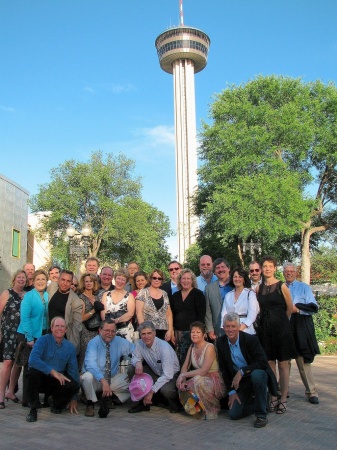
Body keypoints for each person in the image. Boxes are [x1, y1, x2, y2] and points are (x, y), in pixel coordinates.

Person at [216, 313, 278, 428]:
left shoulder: (250, 340)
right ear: (223, 327)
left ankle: (261, 415)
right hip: (241, 382)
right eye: (227, 326)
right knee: (233, 414)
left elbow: (262, 361)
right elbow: (224, 368)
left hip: (255, 374)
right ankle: (263, 403)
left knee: (257, 374)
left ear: (239, 327)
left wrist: (242, 371)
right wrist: (232, 392)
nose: (230, 329)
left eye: (233, 326)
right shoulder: (221, 342)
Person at [256, 256, 297, 414]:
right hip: (265, 331)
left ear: (275, 268)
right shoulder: (259, 289)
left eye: (270, 266)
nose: (267, 269)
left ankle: (284, 398)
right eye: (264, 266)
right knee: (270, 364)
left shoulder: (282, 286)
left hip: (281, 330)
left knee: (284, 364)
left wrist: (280, 322)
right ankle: (273, 397)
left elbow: (289, 308)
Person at [25, 317, 79, 423]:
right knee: (32, 373)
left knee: (74, 385)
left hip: (56, 382)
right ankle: (33, 410)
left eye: (62, 326)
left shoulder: (70, 347)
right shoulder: (43, 340)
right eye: (57, 326)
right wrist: (52, 371)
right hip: (42, 377)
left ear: (66, 329)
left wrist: (74, 398)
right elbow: (33, 360)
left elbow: (74, 372)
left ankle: (55, 403)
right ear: (51, 328)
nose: (59, 328)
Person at [81, 319, 134, 418]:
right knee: (86, 377)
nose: (110, 333)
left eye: (113, 331)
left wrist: (137, 362)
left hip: (111, 378)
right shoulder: (93, 343)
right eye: (107, 330)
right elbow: (90, 365)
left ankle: (110, 397)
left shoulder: (119, 341)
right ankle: (90, 403)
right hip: (96, 379)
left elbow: (135, 350)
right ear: (100, 330)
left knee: (132, 382)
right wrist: (103, 381)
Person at [283, 262, 320, 404]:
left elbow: (313, 307)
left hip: (300, 327)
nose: (289, 273)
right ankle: (284, 391)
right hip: (285, 327)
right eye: (286, 271)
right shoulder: (281, 287)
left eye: (291, 271)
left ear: (296, 272)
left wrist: (297, 309)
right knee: (284, 361)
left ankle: (311, 391)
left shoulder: (304, 288)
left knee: (303, 361)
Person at [127, 321, 181, 414]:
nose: (146, 336)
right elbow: (135, 357)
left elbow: (168, 374)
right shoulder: (140, 343)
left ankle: (175, 404)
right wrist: (138, 362)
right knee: (132, 369)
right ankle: (142, 402)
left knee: (166, 391)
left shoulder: (164, 347)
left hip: (171, 375)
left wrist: (151, 391)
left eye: (149, 333)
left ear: (154, 333)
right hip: (156, 372)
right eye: (143, 334)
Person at [176, 321, 225, 420]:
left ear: (203, 335)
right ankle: (198, 410)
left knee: (198, 380)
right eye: (192, 332)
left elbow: (203, 371)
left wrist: (184, 375)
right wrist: (182, 378)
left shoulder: (209, 347)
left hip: (214, 379)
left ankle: (212, 410)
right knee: (183, 385)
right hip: (199, 377)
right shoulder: (192, 347)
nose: (194, 334)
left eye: (198, 332)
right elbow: (185, 365)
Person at [17, 269, 49, 406]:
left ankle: (35, 397)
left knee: (38, 368)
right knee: (29, 368)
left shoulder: (47, 295)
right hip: (28, 335)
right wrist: (30, 338)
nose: (41, 282)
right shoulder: (29, 296)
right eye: (38, 279)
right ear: (33, 282)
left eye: (43, 279)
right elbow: (25, 318)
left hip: (42, 335)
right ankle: (27, 399)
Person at [0, 270, 27, 408]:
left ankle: (11, 392)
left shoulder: (27, 295)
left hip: (21, 333)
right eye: (19, 277)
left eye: (24, 278)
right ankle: (0, 396)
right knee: (7, 362)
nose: (21, 279)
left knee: (18, 363)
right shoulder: (7, 293)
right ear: (14, 279)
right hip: (8, 332)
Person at [170, 269, 206, 365]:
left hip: (192, 333)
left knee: (192, 359)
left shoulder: (198, 294)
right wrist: (172, 330)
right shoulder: (175, 296)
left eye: (188, 278)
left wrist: (199, 332)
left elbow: (201, 315)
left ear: (192, 280)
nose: (186, 281)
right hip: (178, 333)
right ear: (180, 280)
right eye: (183, 278)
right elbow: (171, 314)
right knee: (179, 359)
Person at [48, 269, 84, 354]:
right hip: (48, 335)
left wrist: (72, 347)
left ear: (71, 282)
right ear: (59, 279)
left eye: (68, 281)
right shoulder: (52, 287)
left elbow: (77, 326)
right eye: (63, 280)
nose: (65, 283)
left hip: (63, 339)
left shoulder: (75, 301)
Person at [136, 269, 173, 342]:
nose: (157, 280)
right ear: (150, 279)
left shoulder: (164, 294)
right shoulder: (143, 292)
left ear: (162, 280)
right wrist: (144, 331)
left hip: (163, 331)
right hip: (148, 332)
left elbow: (168, 314)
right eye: (154, 278)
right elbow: (138, 312)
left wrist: (170, 330)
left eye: (159, 278)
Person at [220, 267, 259, 335]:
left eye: (240, 277)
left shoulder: (250, 294)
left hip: (247, 331)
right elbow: (224, 314)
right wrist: (227, 328)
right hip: (230, 331)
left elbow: (252, 314)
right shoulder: (228, 295)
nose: (237, 279)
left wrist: (240, 328)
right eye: (235, 277)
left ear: (244, 279)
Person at [78, 273, 104, 370]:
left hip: (98, 332)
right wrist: (93, 310)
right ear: (83, 283)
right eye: (86, 281)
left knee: (97, 359)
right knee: (86, 357)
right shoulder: (81, 298)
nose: (89, 283)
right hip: (86, 332)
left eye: (91, 281)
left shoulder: (97, 297)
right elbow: (81, 318)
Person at [101, 268, 135, 342]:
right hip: (108, 331)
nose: (120, 281)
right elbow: (103, 312)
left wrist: (117, 320)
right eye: (118, 278)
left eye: (123, 279)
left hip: (125, 331)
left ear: (126, 282)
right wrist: (108, 325)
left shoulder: (130, 296)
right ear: (114, 279)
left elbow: (130, 313)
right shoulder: (106, 294)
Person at [205, 258, 232, 340]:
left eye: (223, 267)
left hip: (237, 327)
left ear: (228, 268)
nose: (221, 270)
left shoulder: (236, 284)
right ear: (214, 271)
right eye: (217, 268)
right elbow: (207, 311)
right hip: (218, 330)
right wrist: (209, 329)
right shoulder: (209, 288)